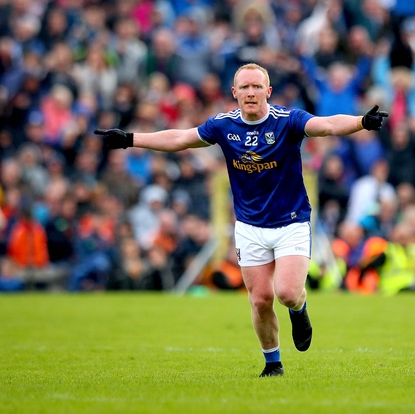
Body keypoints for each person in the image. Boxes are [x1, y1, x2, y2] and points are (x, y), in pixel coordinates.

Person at [94, 63, 389, 378]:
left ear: (268, 92)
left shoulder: (288, 120)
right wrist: (130, 139)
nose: (251, 92)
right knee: (260, 299)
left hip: (291, 222)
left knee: (287, 292)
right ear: (234, 93)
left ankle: (299, 309)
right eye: (244, 87)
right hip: (249, 226)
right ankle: (273, 364)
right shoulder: (223, 125)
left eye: (257, 87)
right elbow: (181, 138)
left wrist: (361, 121)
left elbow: (327, 125)